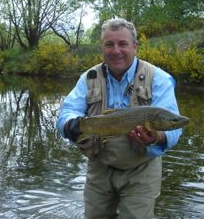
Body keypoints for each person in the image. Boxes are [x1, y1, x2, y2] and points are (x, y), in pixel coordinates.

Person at [56, 18, 182, 219]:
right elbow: (67, 112)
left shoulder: (159, 78)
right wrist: (72, 125)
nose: (116, 50)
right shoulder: (88, 77)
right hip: (99, 167)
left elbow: (174, 127)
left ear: (135, 46)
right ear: (102, 47)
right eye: (109, 44)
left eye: (122, 44)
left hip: (142, 170)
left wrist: (157, 137)